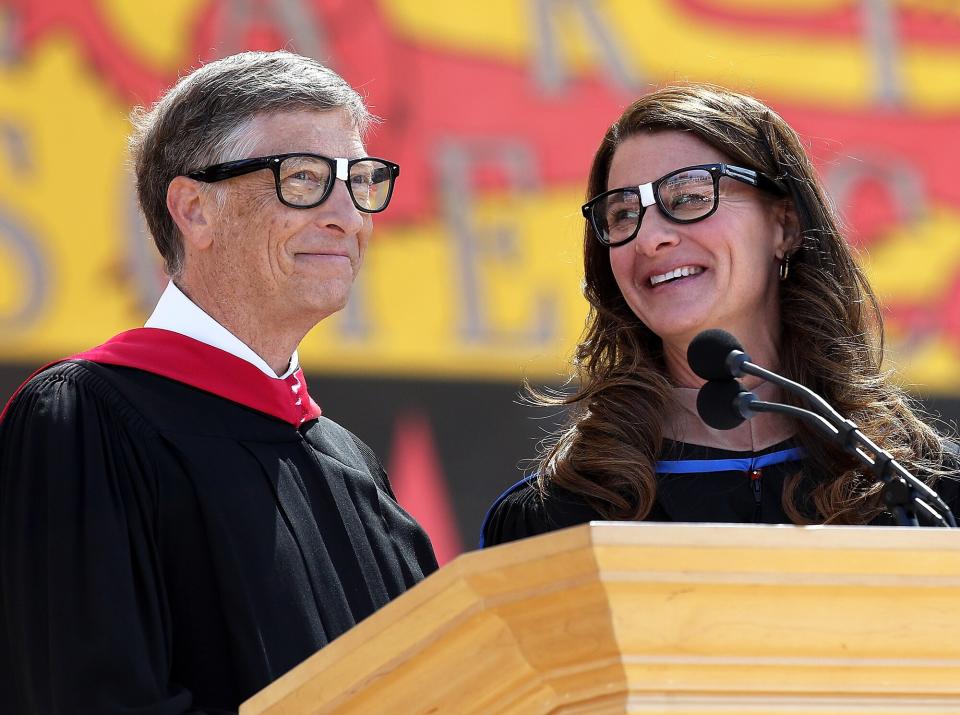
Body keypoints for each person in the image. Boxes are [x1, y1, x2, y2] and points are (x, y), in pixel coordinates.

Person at [0, 50, 438, 713]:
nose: (347, 215)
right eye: (305, 178)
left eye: (361, 179)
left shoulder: (355, 473)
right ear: (194, 209)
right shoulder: (84, 423)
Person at [481, 83, 959, 547]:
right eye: (624, 214)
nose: (649, 239)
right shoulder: (554, 520)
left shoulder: (922, 495)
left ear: (785, 224)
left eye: (689, 197)